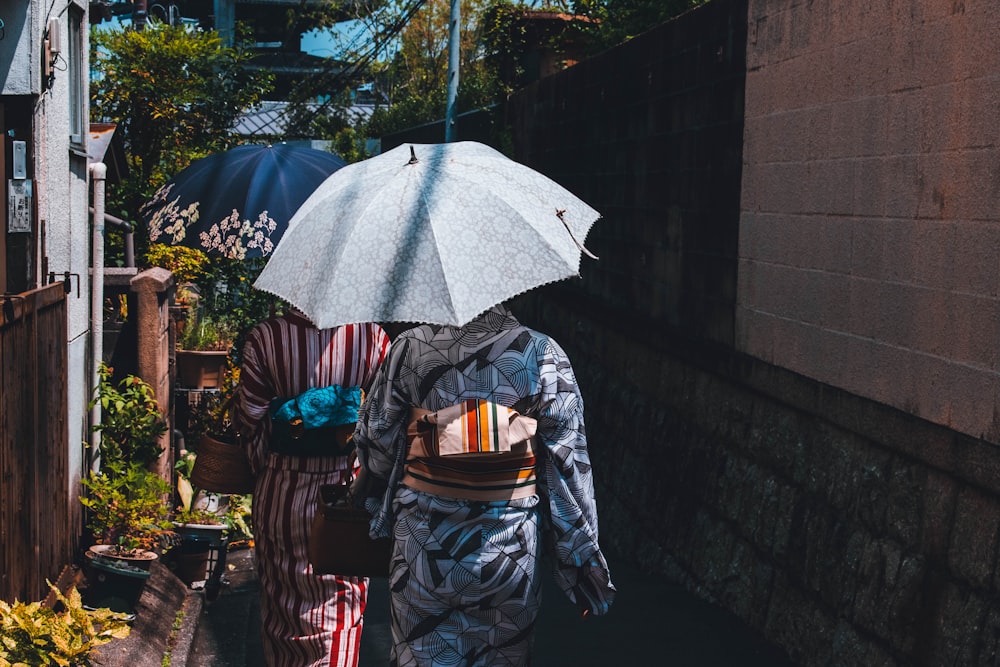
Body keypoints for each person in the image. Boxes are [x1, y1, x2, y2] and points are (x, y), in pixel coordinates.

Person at [353, 303, 616, 666]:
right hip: (509, 552)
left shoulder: (410, 347)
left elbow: (377, 441)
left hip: (424, 548)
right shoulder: (542, 353)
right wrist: (581, 557)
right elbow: (568, 466)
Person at [233, 308, 390, 667]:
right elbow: (385, 422)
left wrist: (269, 463)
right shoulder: (371, 339)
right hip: (345, 497)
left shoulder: (266, 337)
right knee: (342, 605)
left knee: (281, 612)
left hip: (281, 493)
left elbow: (251, 420)